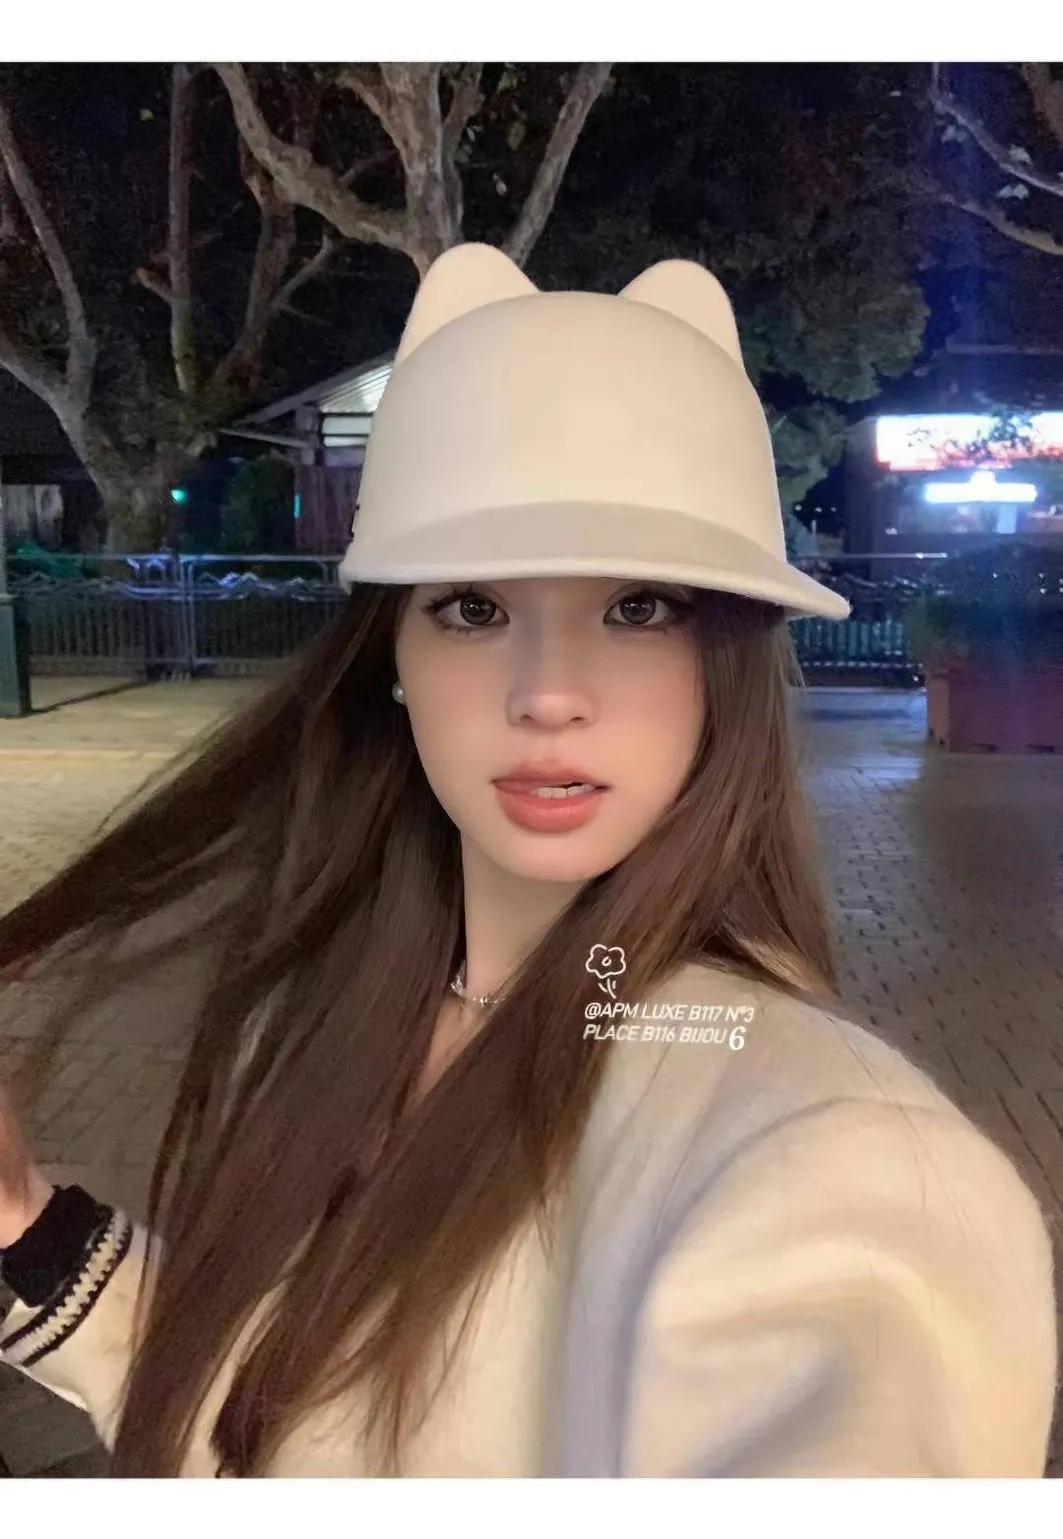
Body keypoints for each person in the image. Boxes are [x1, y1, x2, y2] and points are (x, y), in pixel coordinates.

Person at [0, 245, 1056, 1479]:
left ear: (727, 663)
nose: (549, 693)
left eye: (639, 607)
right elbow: (304, 1440)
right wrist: (26, 1231)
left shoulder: (839, 1151)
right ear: (391, 657)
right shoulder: (344, 1006)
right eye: (473, 607)